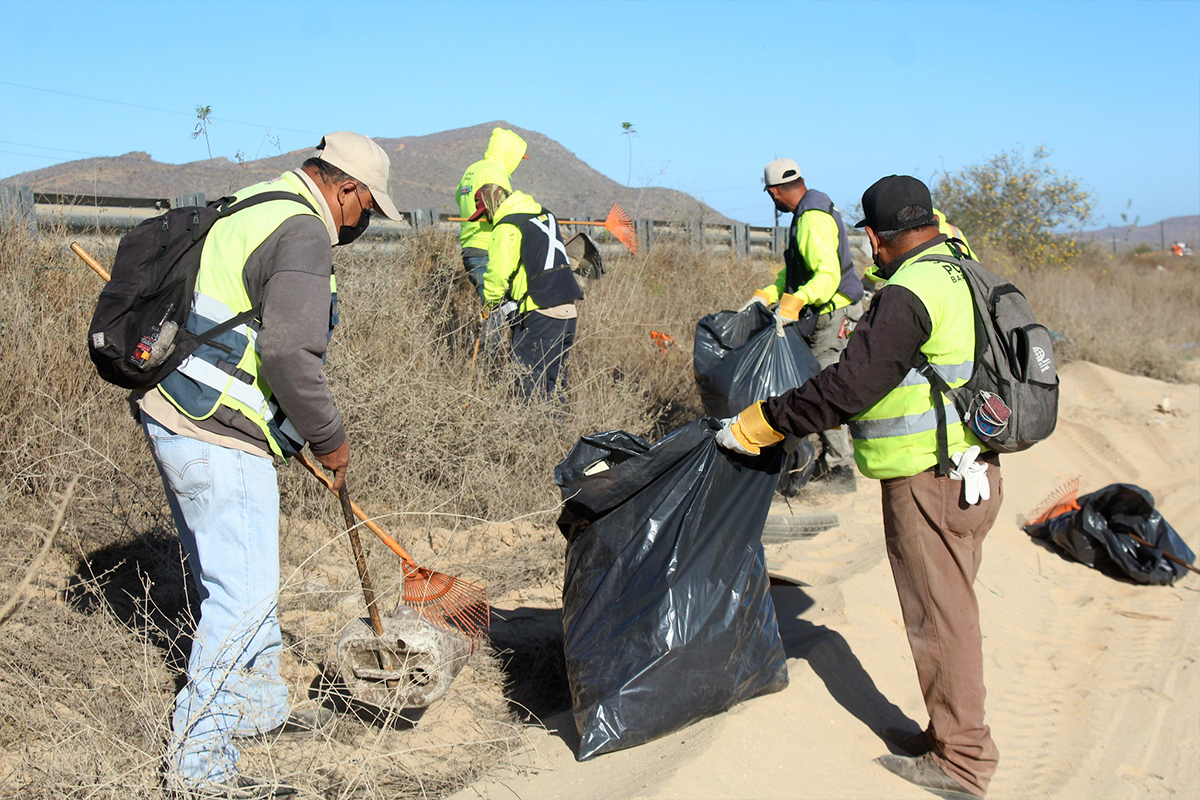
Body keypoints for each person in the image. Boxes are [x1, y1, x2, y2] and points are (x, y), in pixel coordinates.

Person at [718, 175, 1004, 799]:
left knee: (940, 617)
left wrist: (762, 422)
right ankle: (946, 735)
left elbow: (848, 388)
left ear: (874, 237)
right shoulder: (961, 264)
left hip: (929, 478)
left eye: (869, 242)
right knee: (949, 608)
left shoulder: (909, 290)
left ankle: (962, 761)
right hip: (973, 470)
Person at [139, 131, 400, 798]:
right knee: (243, 597)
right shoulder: (305, 231)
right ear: (345, 188)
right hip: (217, 429)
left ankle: (257, 712)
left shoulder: (258, 199)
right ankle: (200, 770)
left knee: (236, 581)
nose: (363, 223)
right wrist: (329, 438)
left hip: (178, 408)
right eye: (366, 208)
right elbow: (289, 354)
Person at [746, 158, 864, 493]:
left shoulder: (811, 217)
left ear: (773, 192)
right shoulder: (811, 210)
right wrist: (767, 294)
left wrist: (796, 302)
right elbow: (796, 271)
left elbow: (826, 276)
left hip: (833, 314)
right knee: (812, 386)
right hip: (825, 314)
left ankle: (841, 469)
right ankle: (821, 460)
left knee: (826, 389)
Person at [469, 182, 583, 399]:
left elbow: (497, 275)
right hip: (567, 312)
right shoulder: (544, 214)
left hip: (540, 313)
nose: (486, 219)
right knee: (554, 387)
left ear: (493, 204)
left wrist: (490, 304)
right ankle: (555, 432)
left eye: (485, 213)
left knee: (528, 386)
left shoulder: (507, 225)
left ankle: (531, 432)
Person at [455, 127, 528, 296]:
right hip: (489, 250)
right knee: (499, 310)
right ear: (509, 154)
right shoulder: (495, 174)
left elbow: (459, 197)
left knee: (492, 306)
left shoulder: (473, 169)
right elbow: (505, 214)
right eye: (518, 158)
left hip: (470, 248)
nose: (518, 163)